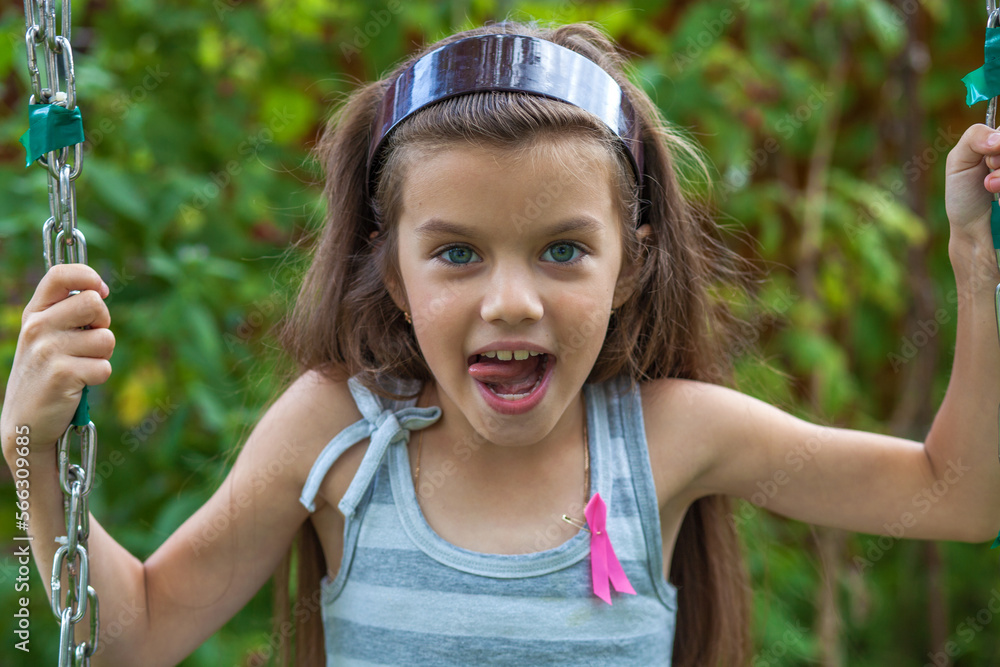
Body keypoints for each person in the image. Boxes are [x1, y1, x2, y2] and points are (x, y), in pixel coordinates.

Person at [3, 18, 1000, 667]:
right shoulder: (336, 434)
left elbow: (958, 496)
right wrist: (32, 449)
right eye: (457, 254)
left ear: (630, 264)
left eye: (563, 249)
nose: (511, 302)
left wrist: (977, 263)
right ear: (395, 271)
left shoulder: (667, 439)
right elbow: (132, 631)